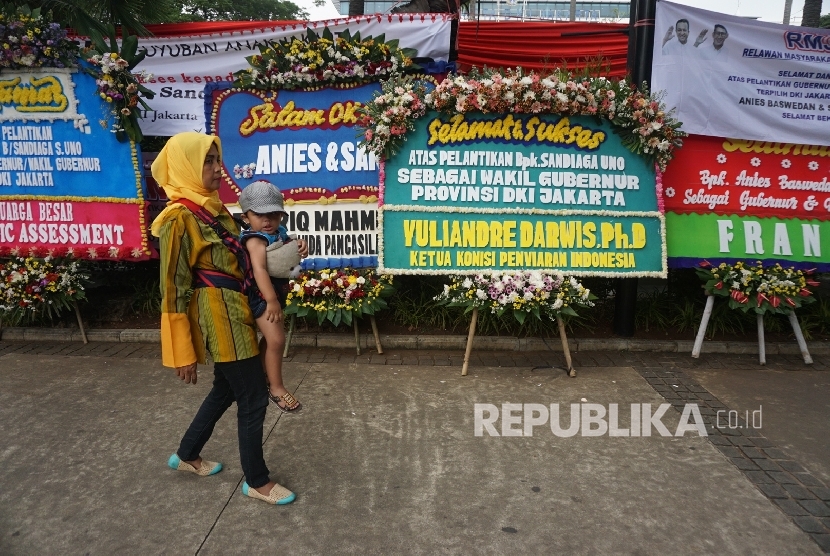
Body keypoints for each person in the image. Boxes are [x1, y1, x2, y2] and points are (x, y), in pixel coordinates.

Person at [150, 131, 305, 506]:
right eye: (208, 161)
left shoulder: (212, 209)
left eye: (217, 160)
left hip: (238, 309)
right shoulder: (177, 217)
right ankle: (257, 481)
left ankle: (187, 455)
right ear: (187, 165)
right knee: (252, 396)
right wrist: (180, 351)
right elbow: (172, 287)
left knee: (225, 389)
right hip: (219, 316)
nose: (218, 169)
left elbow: (249, 259)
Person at [238, 180, 302, 413]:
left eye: (274, 215)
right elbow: (260, 270)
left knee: (270, 339)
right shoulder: (255, 239)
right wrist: (271, 300)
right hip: (263, 296)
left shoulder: (277, 233)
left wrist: (299, 244)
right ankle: (276, 387)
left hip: (275, 293)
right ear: (246, 217)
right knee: (276, 340)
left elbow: (286, 245)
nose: (268, 221)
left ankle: (264, 374)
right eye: (260, 215)